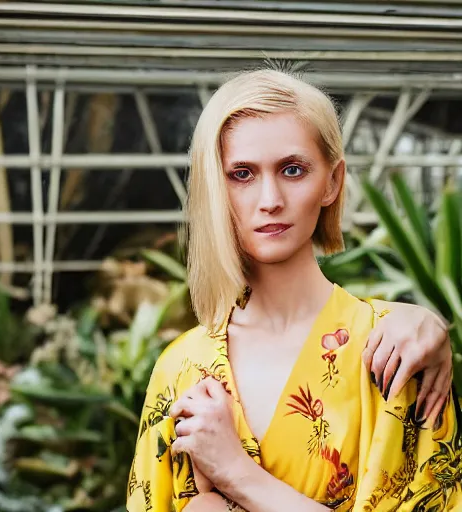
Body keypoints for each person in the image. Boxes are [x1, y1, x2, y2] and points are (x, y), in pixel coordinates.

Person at [126, 69, 461, 511]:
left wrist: (234, 472)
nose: (270, 199)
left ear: (332, 182)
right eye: (242, 174)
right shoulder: (182, 369)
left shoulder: (393, 350)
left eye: (292, 169)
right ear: (216, 187)